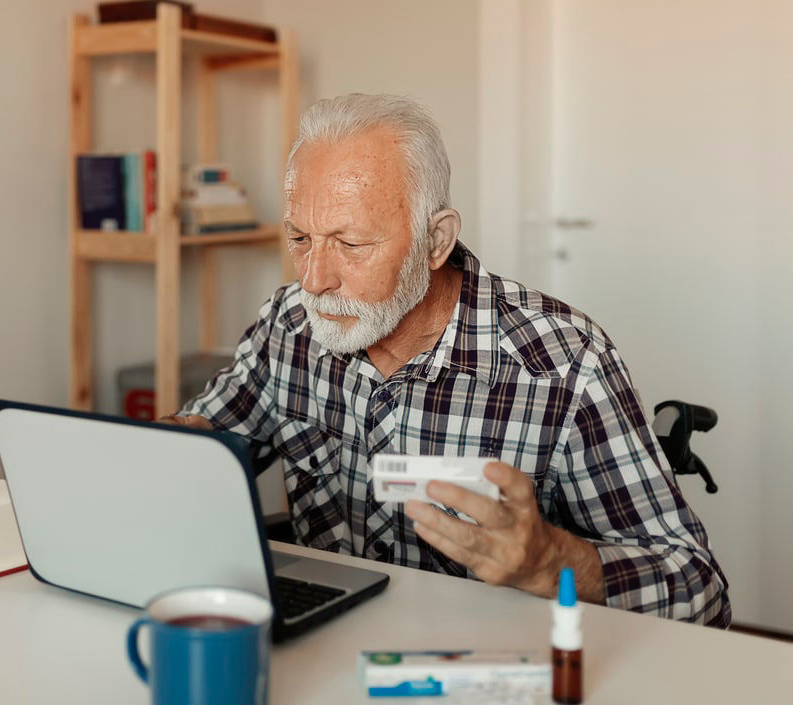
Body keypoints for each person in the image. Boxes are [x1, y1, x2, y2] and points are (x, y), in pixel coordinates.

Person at [162, 94, 730, 627]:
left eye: (351, 245)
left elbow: (701, 589)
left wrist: (551, 560)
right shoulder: (288, 323)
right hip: (327, 648)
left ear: (435, 241)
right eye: (299, 237)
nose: (313, 279)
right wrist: (174, 452)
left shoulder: (564, 365)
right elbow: (201, 444)